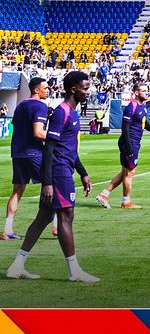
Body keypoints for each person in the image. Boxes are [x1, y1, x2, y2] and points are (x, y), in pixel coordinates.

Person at [6, 71, 99, 283]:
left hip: (65, 168)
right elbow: (49, 148)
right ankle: (74, 271)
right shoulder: (61, 113)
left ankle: (17, 266)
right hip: (58, 172)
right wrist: (47, 182)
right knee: (66, 216)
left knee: (44, 218)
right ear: (73, 89)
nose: (88, 91)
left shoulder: (72, 113)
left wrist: (83, 172)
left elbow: (69, 149)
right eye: (85, 88)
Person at [96, 83, 150, 210]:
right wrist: (129, 146)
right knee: (130, 173)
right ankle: (126, 202)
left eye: (147, 90)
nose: (146, 92)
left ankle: (104, 195)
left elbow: (143, 122)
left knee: (125, 172)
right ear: (136, 92)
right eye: (143, 90)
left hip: (134, 141)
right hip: (129, 142)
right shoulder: (132, 106)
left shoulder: (143, 106)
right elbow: (125, 127)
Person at [3, 78, 50, 240]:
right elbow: (38, 132)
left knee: (17, 191)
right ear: (36, 90)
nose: (48, 90)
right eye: (45, 88)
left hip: (18, 153)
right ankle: (57, 225)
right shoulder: (40, 106)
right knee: (52, 185)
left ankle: (7, 229)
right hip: (34, 153)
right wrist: (58, 138)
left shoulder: (20, 105)